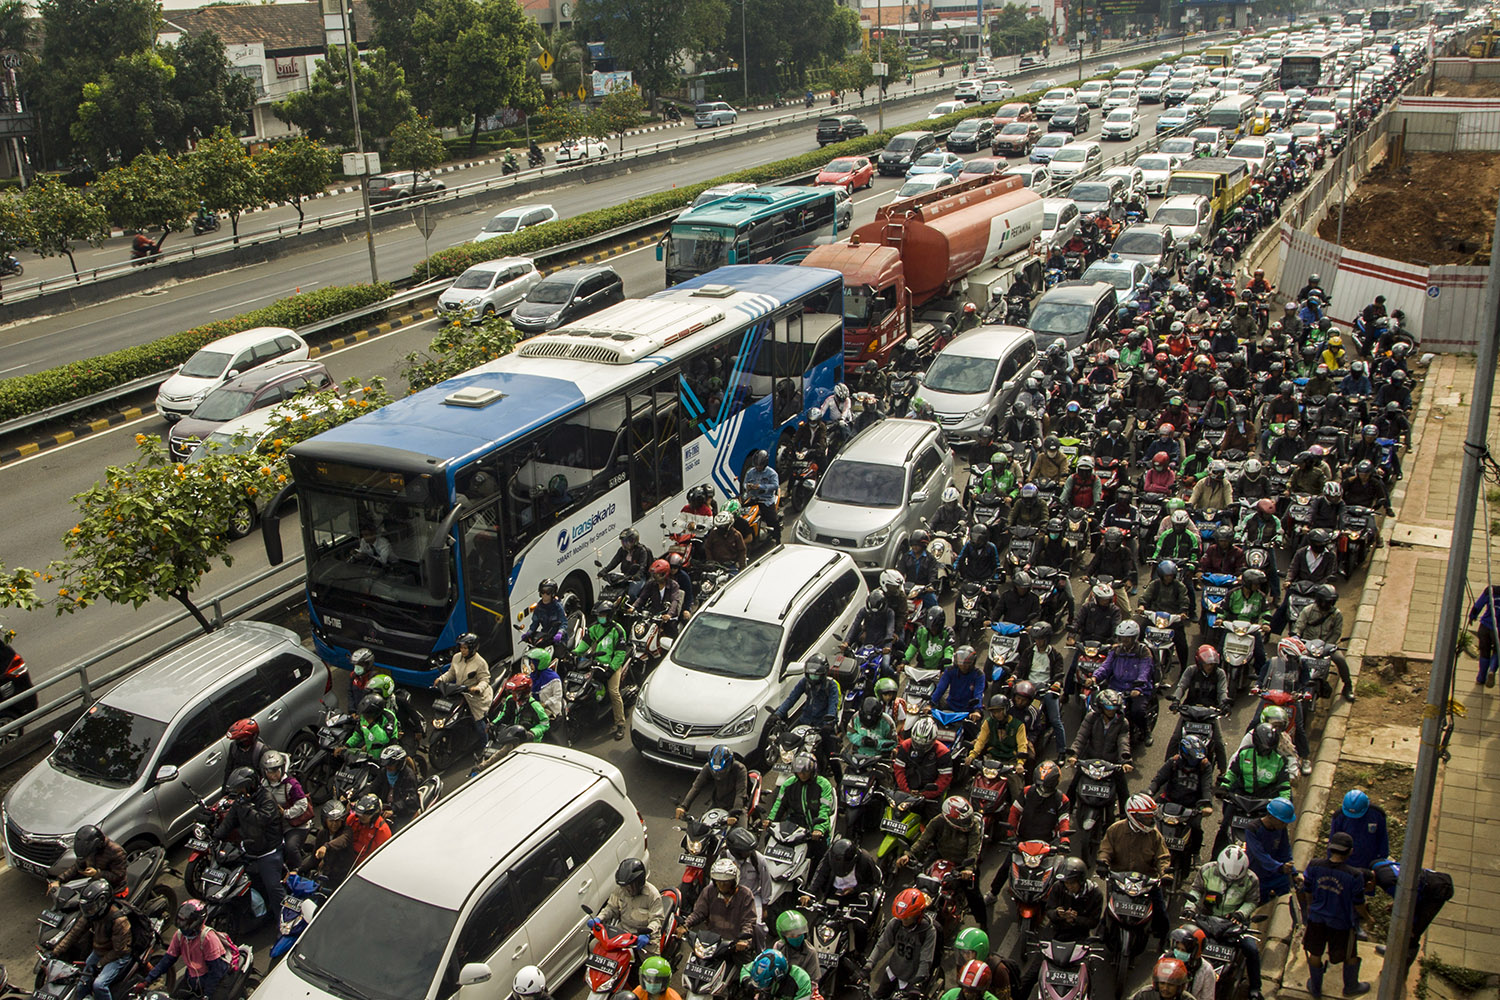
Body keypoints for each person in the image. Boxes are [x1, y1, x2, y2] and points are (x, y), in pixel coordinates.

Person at [1300, 831, 1373, 998]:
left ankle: (1316, 989)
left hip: (1317, 918)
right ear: (1350, 852)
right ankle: (1351, 987)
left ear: (1330, 848)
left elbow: (1308, 890)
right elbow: (1358, 903)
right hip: (1342, 923)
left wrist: (1312, 907)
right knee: (1350, 955)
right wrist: (1368, 918)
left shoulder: (1315, 865)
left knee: (1315, 952)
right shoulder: (1354, 875)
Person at [1185, 846, 1264, 999]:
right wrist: (1190, 908)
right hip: (1207, 921)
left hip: (1234, 924)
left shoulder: (1252, 880)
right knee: (1183, 940)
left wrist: (1241, 914)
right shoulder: (1206, 870)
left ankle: (1255, 987)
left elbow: (1252, 901)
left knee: (1252, 950)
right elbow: (1196, 890)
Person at [989, 760, 1071, 899]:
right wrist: (1011, 834)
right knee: (1006, 866)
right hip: (1023, 840)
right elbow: (1014, 812)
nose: (1042, 789)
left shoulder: (1062, 800)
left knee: (1058, 873)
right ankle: (992, 893)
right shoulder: (1027, 792)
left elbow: (1064, 822)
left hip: (1047, 844)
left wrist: (1064, 841)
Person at [1097, 794, 1172, 944]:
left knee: (1160, 912)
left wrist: (1165, 874)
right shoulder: (1115, 830)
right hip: (1120, 879)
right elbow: (1105, 849)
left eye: (1151, 817)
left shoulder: (1155, 835)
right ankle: (1102, 933)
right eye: (1146, 817)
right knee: (1110, 908)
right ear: (1133, 815)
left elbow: (1162, 857)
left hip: (1146, 882)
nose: (1150, 820)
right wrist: (1102, 863)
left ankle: (1164, 940)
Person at [214, 766, 285, 924]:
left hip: (269, 851)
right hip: (249, 848)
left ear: (251, 784)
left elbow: (262, 820)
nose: (239, 791)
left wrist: (245, 808)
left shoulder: (266, 798)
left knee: (273, 888)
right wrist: (216, 836)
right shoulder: (241, 801)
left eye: (241, 787)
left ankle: (283, 919)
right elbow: (229, 821)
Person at [1213, 725, 1292, 857]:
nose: (1266, 751)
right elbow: (1232, 773)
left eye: (1269, 749)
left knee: (1277, 833)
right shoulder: (1244, 754)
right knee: (1224, 827)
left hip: (1264, 803)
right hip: (1241, 799)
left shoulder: (1280, 760)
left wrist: (1284, 802)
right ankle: (1214, 860)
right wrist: (1224, 787)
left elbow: (1284, 785)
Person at [136, 899, 240, 999]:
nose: (182, 925)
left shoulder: (208, 938)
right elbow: (167, 960)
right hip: (193, 978)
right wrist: (147, 981)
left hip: (216, 980)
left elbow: (216, 971)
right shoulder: (179, 936)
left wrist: (207, 995)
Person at [54, 878, 136, 1000]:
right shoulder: (91, 915)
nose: (88, 911)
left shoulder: (119, 921)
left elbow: (119, 950)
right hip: (99, 951)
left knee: (99, 985)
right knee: (82, 982)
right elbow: (75, 932)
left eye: (91, 907)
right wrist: (56, 951)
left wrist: (100, 964)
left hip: (118, 956)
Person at [1369, 860, 1456, 970]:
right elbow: (1405, 888)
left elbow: (1411, 903)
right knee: (1402, 925)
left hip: (1436, 890)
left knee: (1412, 933)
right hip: (1427, 879)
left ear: (1369, 883)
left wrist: (1410, 924)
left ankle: (1400, 970)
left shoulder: (1388, 884)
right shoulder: (1377, 864)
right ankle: (1394, 952)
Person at [1091, 620, 1158, 745]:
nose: (1124, 640)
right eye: (1122, 637)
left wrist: (1138, 688)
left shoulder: (1143, 651)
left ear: (1134, 637)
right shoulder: (1116, 651)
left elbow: (1145, 670)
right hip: (1116, 687)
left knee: (1137, 711)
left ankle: (1146, 731)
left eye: (1127, 638)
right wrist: (1095, 677)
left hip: (1137, 689)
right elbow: (1106, 666)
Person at [1067, 689, 1134, 814]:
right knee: (1073, 785)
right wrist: (1074, 755)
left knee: (1123, 791)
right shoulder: (1091, 718)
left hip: (1111, 763)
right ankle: (1065, 813)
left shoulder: (1122, 722)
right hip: (1090, 760)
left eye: (1113, 708)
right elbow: (1081, 736)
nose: (1111, 711)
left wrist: (1125, 761)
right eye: (1108, 708)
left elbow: (1123, 742)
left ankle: (1125, 818)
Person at [1149, 735, 1215, 860]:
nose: (1195, 762)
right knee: (1150, 823)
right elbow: (1158, 779)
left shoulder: (1205, 766)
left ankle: (1195, 853)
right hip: (1169, 802)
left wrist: (1207, 805)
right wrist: (1148, 792)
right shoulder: (1173, 762)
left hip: (1191, 806)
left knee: (1196, 828)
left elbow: (1207, 787)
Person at [863, 889, 937, 998]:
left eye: (908, 917)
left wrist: (917, 982)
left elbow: (925, 960)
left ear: (918, 914)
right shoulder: (895, 923)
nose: (904, 920)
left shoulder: (928, 932)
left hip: (911, 979)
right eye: (901, 917)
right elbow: (881, 946)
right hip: (893, 972)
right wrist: (868, 966)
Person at [684, 858, 759, 963]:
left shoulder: (745, 895)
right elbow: (699, 913)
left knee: (746, 972)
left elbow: (749, 921)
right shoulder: (709, 892)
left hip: (735, 946)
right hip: (711, 944)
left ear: (734, 881)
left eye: (726, 882)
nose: (722, 885)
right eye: (718, 881)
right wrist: (685, 925)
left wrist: (743, 940)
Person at [575, 600, 631, 740]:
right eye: (599, 614)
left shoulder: (618, 630)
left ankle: (620, 725)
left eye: (602, 614)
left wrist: (611, 670)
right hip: (594, 663)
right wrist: (573, 653)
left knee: (613, 692)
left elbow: (619, 654)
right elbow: (583, 645)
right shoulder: (594, 628)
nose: (600, 617)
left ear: (610, 615)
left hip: (611, 666)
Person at [765, 754, 835, 862]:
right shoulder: (788, 784)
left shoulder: (823, 784)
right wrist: (770, 821)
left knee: (822, 859)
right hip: (794, 829)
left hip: (815, 830)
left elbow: (824, 809)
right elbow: (779, 804)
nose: (802, 775)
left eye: (805, 772)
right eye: (799, 772)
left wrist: (819, 829)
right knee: (768, 839)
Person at [432, 632, 492, 755]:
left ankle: (485, 746)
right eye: (461, 647)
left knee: (479, 722)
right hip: (459, 691)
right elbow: (451, 673)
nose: (462, 650)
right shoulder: (456, 657)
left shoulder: (480, 663)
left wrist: (477, 688)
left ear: (472, 648)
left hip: (475, 697)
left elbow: (485, 679)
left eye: (465, 648)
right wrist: (441, 679)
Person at [1295, 584, 1355, 702]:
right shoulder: (1308, 610)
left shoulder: (1336, 614)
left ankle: (1348, 685)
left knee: (1340, 659)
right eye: (1325, 602)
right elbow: (1299, 626)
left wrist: (1327, 646)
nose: (1327, 605)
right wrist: (1296, 637)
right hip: (1307, 644)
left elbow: (1337, 632)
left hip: (1325, 646)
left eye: (1330, 602)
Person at [593, 857, 665, 954]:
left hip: (645, 937)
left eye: (630, 886)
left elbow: (657, 920)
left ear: (639, 882)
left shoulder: (653, 895)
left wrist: (647, 934)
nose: (627, 889)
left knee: (651, 967)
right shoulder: (620, 890)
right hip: (623, 932)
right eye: (625, 886)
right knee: (593, 946)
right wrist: (599, 918)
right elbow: (611, 908)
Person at [1018, 622, 1068, 757]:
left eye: (1041, 639)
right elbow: (1020, 668)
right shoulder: (1028, 652)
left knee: (1055, 720)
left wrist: (1057, 684)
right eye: (1036, 639)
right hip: (1029, 688)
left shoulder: (1055, 655)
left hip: (1046, 689)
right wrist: (1013, 677)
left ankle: (1062, 751)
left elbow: (1059, 674)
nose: (1038, 642)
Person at [1141, 560, 1193, 679]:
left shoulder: (1179, 587)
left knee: (1181, 643)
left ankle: (1184, 668)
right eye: (1166, 576)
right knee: (1139, 634)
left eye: (1170, 575)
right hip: (1155, 617)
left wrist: (1183, 612)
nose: (1168, 578)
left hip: (1172, 619)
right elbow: (1145, 597)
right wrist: (1141, 606)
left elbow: (1184, 601)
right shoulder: (1155, 584)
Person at [677, 745, 751, 827]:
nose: (718, 774)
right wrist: (684, 806)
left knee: (741, 834)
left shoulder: (740, 769)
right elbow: (696, 787)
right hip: (718, 803)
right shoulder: (708, 767)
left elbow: (740, 793)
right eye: (715, 771)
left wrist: (735, 813)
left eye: (722, 771)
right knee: (701, 828)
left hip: (737, 807)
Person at [261, 750, 313, 866]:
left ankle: (299, 872)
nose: (273, 775)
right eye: (269, 772)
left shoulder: (291, 784)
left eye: (276, 771)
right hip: (274, 825)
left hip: (294, 825)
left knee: (291, 848)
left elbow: (302, 805)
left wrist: (285, 813)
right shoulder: (263, 785)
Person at [774, 653, 842, 740]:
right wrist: (778, 714)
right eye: (811, 675)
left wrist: (829, 723)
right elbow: (792, 698)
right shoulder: (804, 682)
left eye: (816, 675)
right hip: (805, 720)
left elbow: (833, 704)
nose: (813, 678)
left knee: (829, 748)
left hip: (822, 725)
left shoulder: (831, 686)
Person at [894, 717, 954, 812]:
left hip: (930, 794)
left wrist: (925, 794)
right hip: (906, 788)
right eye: (917, 744)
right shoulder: (905, 746)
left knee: (934, 816)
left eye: (924, 746)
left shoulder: (943, 753)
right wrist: (907, 790)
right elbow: (899, 770)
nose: (919, 748)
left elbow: (944, 779)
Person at [1245, 796, 1297, 905]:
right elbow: (1260, 855)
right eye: (1282, 822)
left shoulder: (1280, 829)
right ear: (1271, 816)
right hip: (1257, 875)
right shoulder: (1253, 828)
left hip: (1275, 872)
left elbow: (1284, 850)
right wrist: (1279, 867)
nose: (1285, 825)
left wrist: (1293, 872)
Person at [50, 824, 128, 896]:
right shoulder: (89, 851)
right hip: (95, 884)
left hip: (114, 890)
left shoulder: (117, 852)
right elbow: (77, 867)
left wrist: (97, 873)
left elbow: (118, 876)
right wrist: (59, 880)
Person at [1330, 789, 1389, 873]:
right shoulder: (1339, 817)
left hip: (1369, 862)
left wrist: (1380, 863)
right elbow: (1333, 842)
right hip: (1346, 864)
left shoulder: (1377, 815)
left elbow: (1383, 839)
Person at [726, 827, 774, 919]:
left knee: (757, 927)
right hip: (728, 898)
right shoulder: (724, 857)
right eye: (745, 851)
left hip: (752, 898)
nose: (749, 853)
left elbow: (766, 884)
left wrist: (764, 909)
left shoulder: (758, 859)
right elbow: (714, 884)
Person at [951, 930, 1012, 1000]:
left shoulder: (999, 971)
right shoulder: (964, 964)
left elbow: (1004, 997)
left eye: (968, 952)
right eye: (961, 952)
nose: (964, 956)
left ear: (980, 951)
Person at [307, 799, 357, 886]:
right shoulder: (322, 834)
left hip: (344, 877)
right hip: (327, 873)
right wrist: (297, 870)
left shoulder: (347, 831)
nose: (334, 824)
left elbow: (342, 841)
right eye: (331, 821)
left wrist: (326, 847)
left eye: (337, 821)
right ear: (325, 820)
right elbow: (314, 859)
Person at [491, 673, 550, 745]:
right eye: (512, 692)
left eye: (516, 692)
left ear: (524, 692)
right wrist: (493, 723)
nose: (513, 694)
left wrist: (533, 732)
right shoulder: (510, 700)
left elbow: (545, 723)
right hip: (513, 737)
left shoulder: (534, 706)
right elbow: (504, 715)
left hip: (531, 742)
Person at [373, 744, 422, 829]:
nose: (388, 767)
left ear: (399, 764)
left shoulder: (408, 776)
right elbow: (374, 786)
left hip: (403, 812)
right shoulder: (384, 772)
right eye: (386, 765)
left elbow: (409, 799)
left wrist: (393, 810)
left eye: (391, 765)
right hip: (385, 808)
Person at [934, 645, 986, 718]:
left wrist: (977, 711)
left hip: (968, 710)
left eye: (967, 663)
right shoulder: (950, 670)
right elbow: (940, 689)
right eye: (961, 662)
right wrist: (931, 704)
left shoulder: (978, 675)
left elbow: (978, 694)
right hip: (950, 706)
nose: (963, 666)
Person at [773, 911, 819, 984]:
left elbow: (813, 981)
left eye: (799, 934)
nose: (796, 937)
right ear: (784, 937)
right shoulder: (779, 946)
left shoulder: (810, 952)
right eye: (791, 936)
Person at [348, 792, 392, 868]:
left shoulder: (383, 832)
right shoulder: (353, 819)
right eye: (360, 814)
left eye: (366, 814)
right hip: (347, 859)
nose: (361, 817)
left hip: (364, 866)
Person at [847, 695, 897, 761]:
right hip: (858, 755)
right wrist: (862, 740)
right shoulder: (856, 717)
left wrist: (876, 743)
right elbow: (850, 734)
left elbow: (893, 742)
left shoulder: (887, 721)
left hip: (880, 758)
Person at [742, 450, 781, 532]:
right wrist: (747, 486)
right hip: (752, 498)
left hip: (765, 500)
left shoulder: (772, 473)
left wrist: (760, 487)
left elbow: (775, 486)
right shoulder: (750, 472)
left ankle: (777, 538)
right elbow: (744, 483)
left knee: (773, 521)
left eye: (760, 465)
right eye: (756, 465)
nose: (758, 467)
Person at [522, 579, 568, 649]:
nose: (545, 595)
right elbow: (535, 623)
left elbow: (564, 622)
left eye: (548, 592)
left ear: (552, 593)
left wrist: (560, 633)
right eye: (542, 592)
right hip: (546, 637)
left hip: (558, 639)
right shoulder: (539, 607)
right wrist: (528, 633)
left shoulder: (557, 606)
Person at [1469, 583, 1500, 687]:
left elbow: (1478, 605)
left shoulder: (1491, 590)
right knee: (1498, 652)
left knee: (1484, 652)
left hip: (1485, 627)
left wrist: (1472, 616)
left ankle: (1481, 678)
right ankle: (1492, 670)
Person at [1127, 957, 1196, 1000]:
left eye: (1171, 985)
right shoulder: (1145, 995)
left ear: (1179, 987)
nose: (1165, 988)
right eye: (1162, 983)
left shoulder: (1188, 999)